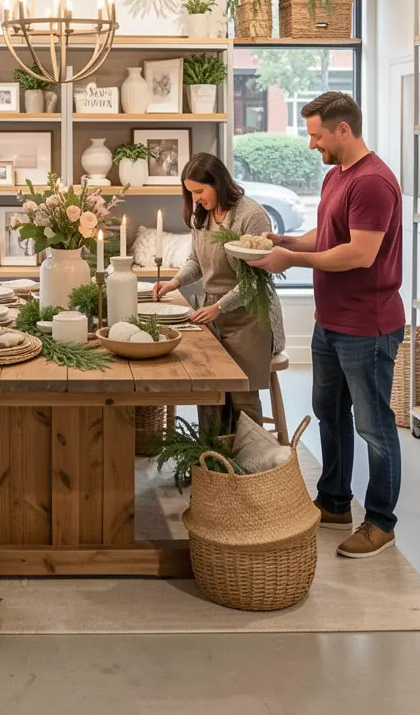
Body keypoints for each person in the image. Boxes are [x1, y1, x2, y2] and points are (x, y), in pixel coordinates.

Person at [249, 92, 405, 560]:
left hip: (367, 326)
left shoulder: (374, 182)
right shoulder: (338, 175)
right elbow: (329, 234)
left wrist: (291, 259)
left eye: (318, 135)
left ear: (343, 129)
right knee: (330, 415)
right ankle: (335, 502)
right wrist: (288, 240)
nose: (313, 144)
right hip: (332, 321)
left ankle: (380, 522)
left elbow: (360, 253)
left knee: (374, 427)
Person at [153, 152, 285, 432]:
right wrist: (173, 283)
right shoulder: (202, 215)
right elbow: (196, 261)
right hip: (212, 314)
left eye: (200, 191)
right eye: (191, 193)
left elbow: (255, 281)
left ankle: (251, 466)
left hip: (248, 317)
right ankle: (213, 463)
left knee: (243, 396)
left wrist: (220, 307)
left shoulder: (251, 216)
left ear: (219, 182)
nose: (197, 198)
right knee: (209, 391)